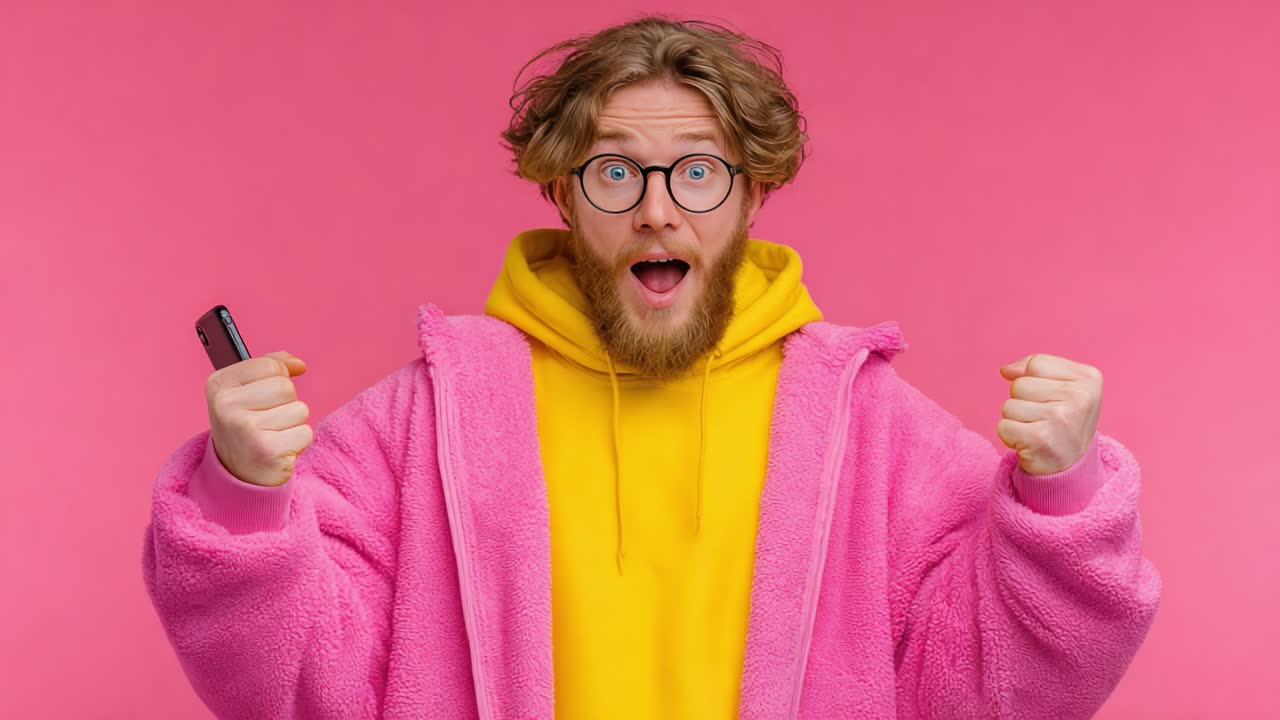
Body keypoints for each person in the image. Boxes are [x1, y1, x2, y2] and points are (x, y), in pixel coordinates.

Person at [142, 15, 1161, 720]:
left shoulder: (875, 433)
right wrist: (244, 501)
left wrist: (1058, 505)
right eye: (615, 171)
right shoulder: (417, 428)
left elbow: (997, 691)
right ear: (561, 194)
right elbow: (289, 689)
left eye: (700, 171)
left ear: (753, 195)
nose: (657, 210)